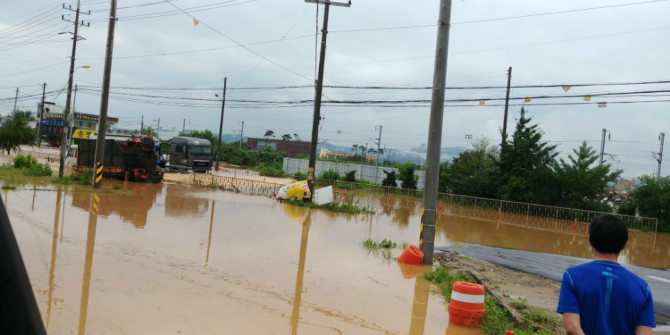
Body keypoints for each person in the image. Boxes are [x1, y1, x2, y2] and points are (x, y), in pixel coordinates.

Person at [557, 214, 656, 334]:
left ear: (589, 240)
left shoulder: (572, 276)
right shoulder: (642, 287)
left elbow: (572, 328)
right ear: (624, 245)